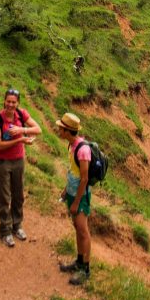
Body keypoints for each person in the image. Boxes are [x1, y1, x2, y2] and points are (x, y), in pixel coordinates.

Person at [0, 87, 40, 247]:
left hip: (19, 161)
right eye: (8, 101)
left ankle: (16, 225)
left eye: (14, 102)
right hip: (3, 162)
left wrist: (22, 130)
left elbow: (37, 129)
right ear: (4, 101)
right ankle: (5, 230)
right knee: (4, 196)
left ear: (18, 103)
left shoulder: (21, 114)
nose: (10, 105)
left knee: (18, 195)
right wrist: (20, 140)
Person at [54, 112, 92, 285]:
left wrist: (76, 202)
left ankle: (85, 269)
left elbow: (84, 178)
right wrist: (65, 191)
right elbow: (73, 171)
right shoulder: (71, 146)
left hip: (80, 196)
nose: (58, 130)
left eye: (61, 128)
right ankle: (78, 261)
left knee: (83, 230)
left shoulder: (83, 150)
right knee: (77, 227)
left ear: (68, 130)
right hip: (72, 192)